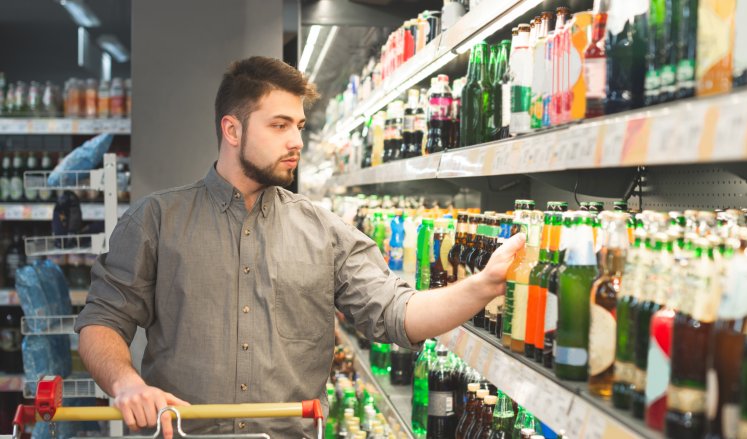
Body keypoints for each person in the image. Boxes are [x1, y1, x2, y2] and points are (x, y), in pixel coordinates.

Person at [75, 56, 524, 438]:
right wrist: (126, 383)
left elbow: (396, 314)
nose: (297, 141)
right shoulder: (156, 221)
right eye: (279, 125)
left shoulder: (325, 231)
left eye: (299, 125)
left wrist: (483, 286)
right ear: (232, 130)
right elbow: (102, 321)